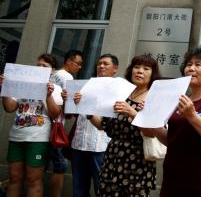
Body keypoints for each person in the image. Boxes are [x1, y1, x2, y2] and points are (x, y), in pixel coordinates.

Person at [148, 47, 201, 197]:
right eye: (188, 64)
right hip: (172, 176)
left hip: (200, 179)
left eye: (198, 65)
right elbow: (171, 139)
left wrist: (192, 116)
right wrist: (151, 121)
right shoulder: (178, 100)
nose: (191, 68)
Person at [88, 54, 159, 196]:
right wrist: (86, 110)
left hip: (138, 160)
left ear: (153, 75)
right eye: (136, 67)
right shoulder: (121, 93)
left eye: (146, 68)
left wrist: (133, 113)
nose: (139, 71)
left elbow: (152, 132)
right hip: (113, 157)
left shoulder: (153, 97)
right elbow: (103, 125)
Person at [2, 53, 60, 197]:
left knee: (33, 179)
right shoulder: (22, 84)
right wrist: (5, 89)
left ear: (52, 70)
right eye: (38, 65)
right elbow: (9, 108)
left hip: (38, 138)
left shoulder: (56, 88)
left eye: (45, 66)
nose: (40, 68)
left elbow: (55, 114)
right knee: (14, 178)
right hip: (16, 136)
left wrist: (48, 95)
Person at [61, 53, 118, 197]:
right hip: (79, 143)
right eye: (99, 63)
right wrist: (68, 101)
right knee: (79, 189)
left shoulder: (119, 89)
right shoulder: (84, 85)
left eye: (106, 63)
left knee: (103, 189)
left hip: (102, 146)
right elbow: (72, 115)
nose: (101, 66)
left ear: (115, 69)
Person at [48, 49, 84, 197]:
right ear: (69, 61)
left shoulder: (53, 75)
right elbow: (68, 110)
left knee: (39, 164)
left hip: (42, 123)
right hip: (55, 126)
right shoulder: (67, 77)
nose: (80, 67)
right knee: (61, 165)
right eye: (78, 63)